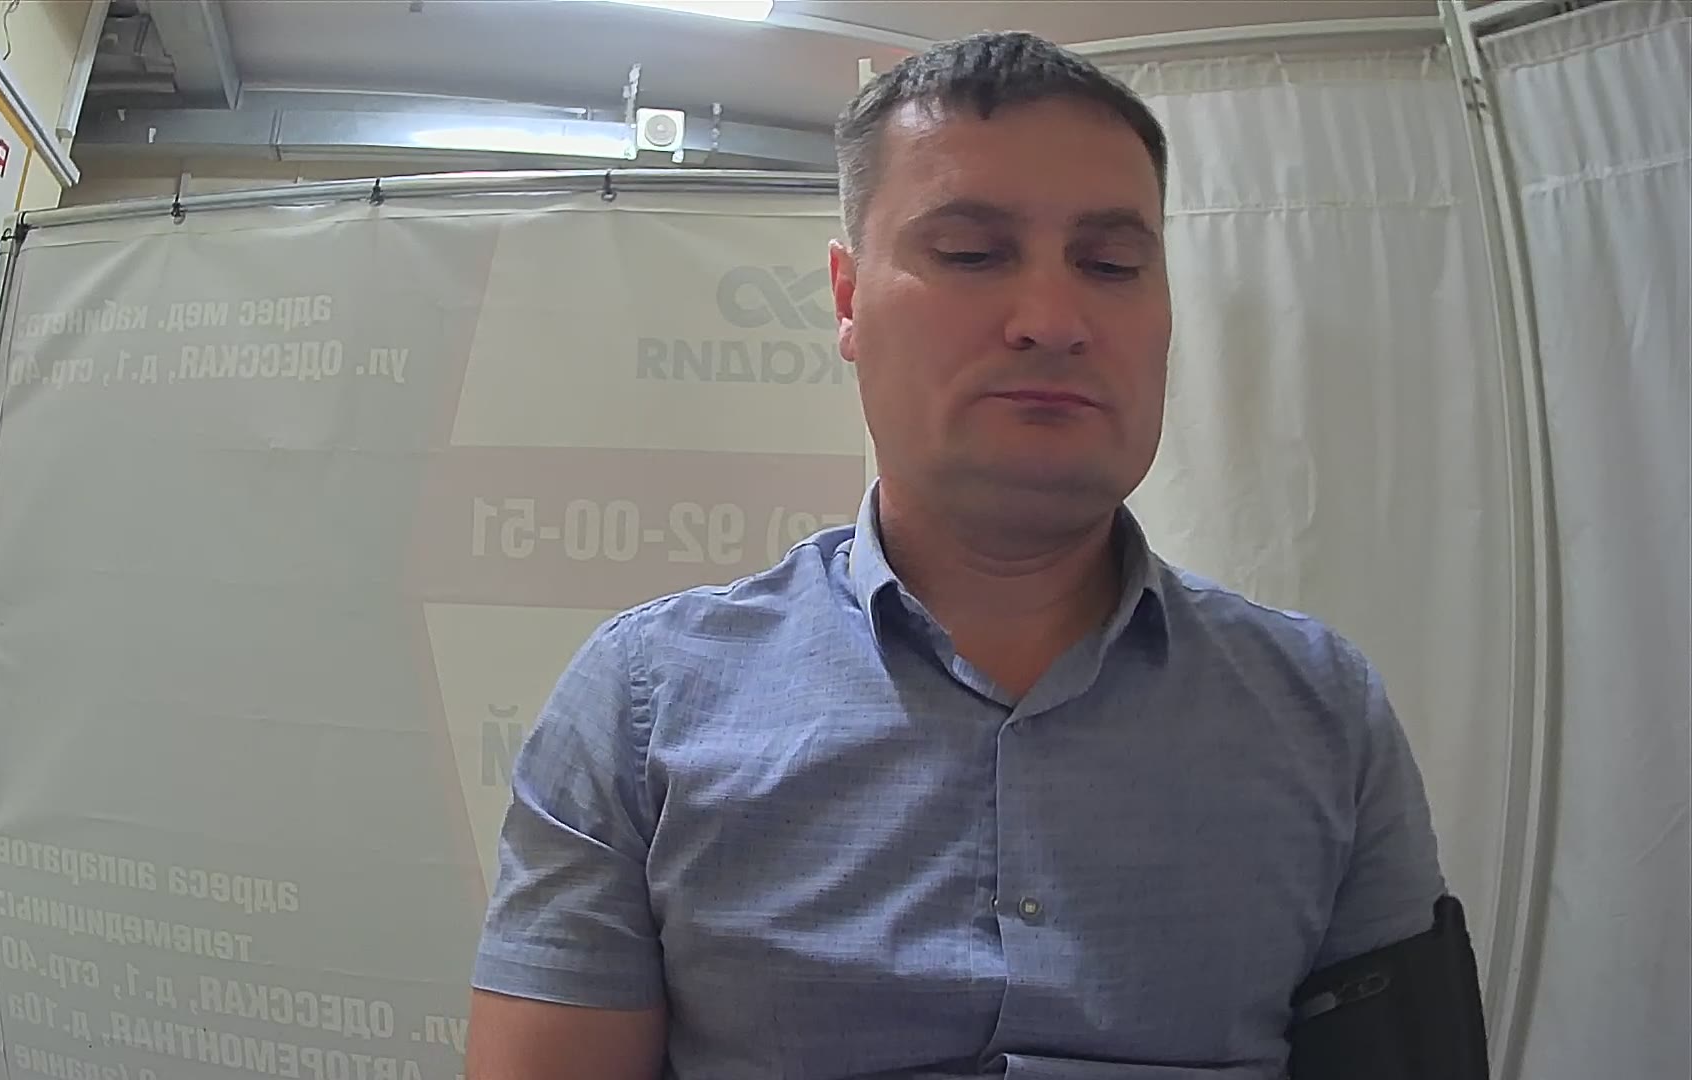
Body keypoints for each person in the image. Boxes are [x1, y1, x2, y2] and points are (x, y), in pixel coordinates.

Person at [465, 31, 1444, 1080]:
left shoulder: (1323, 714)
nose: (1053, 319)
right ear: (847, 299)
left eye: (1112, 265)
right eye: (973, 254)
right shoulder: (644, 705)